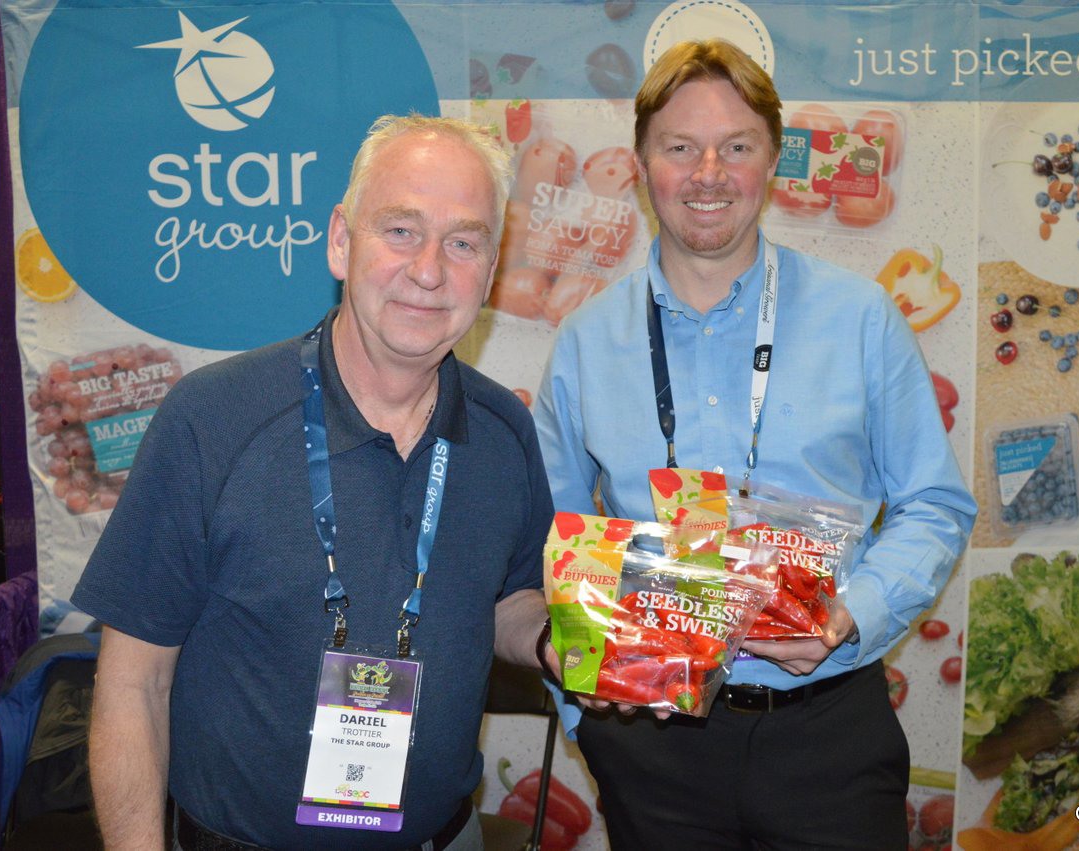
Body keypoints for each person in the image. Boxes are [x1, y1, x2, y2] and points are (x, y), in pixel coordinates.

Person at [534, 39, 977, 850]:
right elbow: (552, 527)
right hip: (651, 741)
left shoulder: (861, 319)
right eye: (680, 147)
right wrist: (585, 712)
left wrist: (852, 614)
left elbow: (934, 504)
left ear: (772, 161)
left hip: (828, 737)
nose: (708, 174)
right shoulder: (586, 341)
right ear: (642, 163)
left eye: (735, 147)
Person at [72, 115, 558, 851]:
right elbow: (133, 683)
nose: (429, 270)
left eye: (463, 242)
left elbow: (507, 599)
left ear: (490, 270)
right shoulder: (212, 420)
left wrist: (562, 643)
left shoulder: (503, 432)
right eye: (401, 230)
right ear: (340, 241)